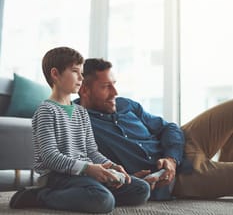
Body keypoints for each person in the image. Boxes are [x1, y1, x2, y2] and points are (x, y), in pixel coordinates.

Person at [9, 47, 150, 212]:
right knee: (102, 200)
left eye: (82, 73)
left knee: (141, 189)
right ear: (55, 74)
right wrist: (88, 168)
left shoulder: (81, 112)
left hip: (83, 174)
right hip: (57, 177)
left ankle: (90, 194)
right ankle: (41, 195)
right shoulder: (46, 111)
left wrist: (110, 165)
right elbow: (50, 157)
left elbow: (91, 150)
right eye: (76, 72)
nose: (81, 78)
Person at [76, 58, 233, 200]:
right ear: (84, 90)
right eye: (106, 87)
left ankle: (222, 169)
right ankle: (219, 176)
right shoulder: (74, 122)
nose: (115, 93)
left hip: (182, 143)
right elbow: (78, 168)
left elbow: (168, 127)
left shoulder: (125, 104)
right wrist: (127, 179)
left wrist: (171, 158)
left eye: (114, 84)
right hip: (178, 175)